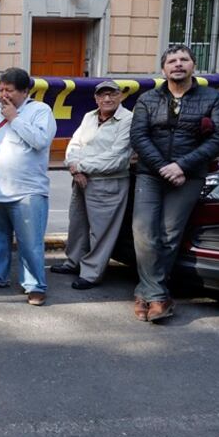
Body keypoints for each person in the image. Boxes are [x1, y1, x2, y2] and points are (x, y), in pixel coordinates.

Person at [130, 45, 219, 322]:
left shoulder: (213, 98)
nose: (178, 64)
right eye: (171, 60)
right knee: (143, 233)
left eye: (183, 59)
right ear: (163, 69)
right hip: (151, 174)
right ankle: (157, 294)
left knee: (168, 235)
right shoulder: (148, 99)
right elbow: (139, 136)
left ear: (193, 65)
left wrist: (181, 165)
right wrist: (163, 167)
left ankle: (146, 292)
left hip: (188, 175)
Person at [0, 67, 56, 306]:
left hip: (27, 191)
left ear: (25, 91)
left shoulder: (40, 111)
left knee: (30, 242)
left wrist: (14, 119)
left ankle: (34, 285)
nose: (3, 95)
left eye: (9, 90)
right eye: (1, 90)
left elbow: (40, 141)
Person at [51, 80, 133, 290]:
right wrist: (74, 166)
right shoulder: (89, 116)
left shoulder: (128, 119)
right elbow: (74, 144)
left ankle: (91, 273)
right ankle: (74, 262)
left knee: (101, 231)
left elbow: (118, 157)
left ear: (120, 96)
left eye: (112, 94)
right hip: (80, 179)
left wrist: (81, 167)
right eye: (102, 95)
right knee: (77, 224)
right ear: (96, 98)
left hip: (108, 182)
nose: (107, 99)